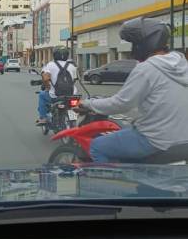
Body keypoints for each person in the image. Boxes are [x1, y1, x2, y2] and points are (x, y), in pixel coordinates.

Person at [80, 17, 188, 163]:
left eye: (134, 43)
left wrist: (88, 104)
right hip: (183, 140)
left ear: (144, 43)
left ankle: (105, 186)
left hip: (155, 139)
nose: (132, 48)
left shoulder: (147, 68)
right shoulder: (182, 64)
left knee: (97, 146)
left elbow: (121, 104)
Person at [37, 48, 77, 125]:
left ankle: (43, 118)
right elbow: (74, 80)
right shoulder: (72, 66)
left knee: (42, 95)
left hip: (56, 95)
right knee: (72, 107)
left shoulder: (50, 64)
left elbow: (45, 78)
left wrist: (48, 87)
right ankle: (73, 119)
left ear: (54, 55)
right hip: (72, 95)